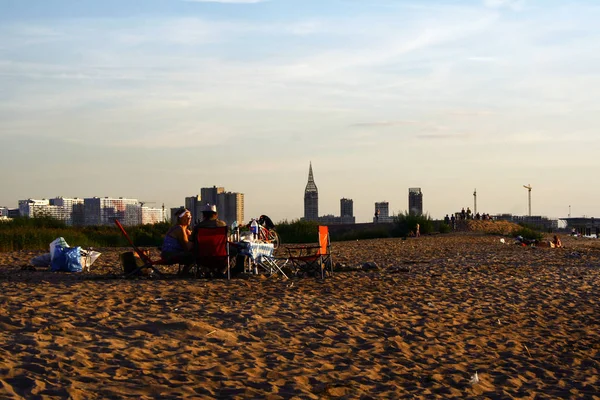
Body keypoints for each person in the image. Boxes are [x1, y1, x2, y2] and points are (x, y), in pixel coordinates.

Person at [161, 207, 195, 274]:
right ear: (180, 218)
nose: (189, 218)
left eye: (190, 216)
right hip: (170, 255)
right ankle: (185, 271)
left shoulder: (179, 229)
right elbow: (187, 247)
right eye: (187, 216)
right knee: (196, 255)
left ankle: (185, 271)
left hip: (166, 254)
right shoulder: (179, 229)